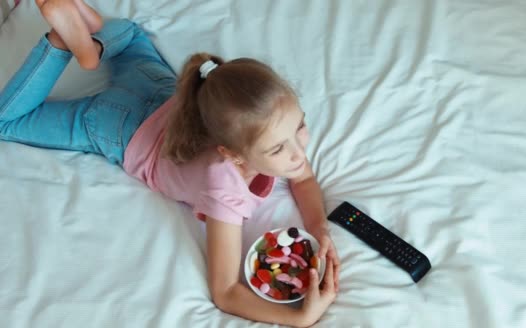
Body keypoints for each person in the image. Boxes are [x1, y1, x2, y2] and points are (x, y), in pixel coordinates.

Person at [0, 1, 340, 326]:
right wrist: (298, 318)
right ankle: (60, 44)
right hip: (118, 126)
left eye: (300, 127)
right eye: (279, 149)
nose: (298, 153)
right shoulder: (224, 189)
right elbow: (225, 292)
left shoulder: (267, 127)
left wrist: (319, 228)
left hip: (155, 87)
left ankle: (90, 47)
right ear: (231, 154)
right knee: (6, 123)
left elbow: (304, 180)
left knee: (131, 34)